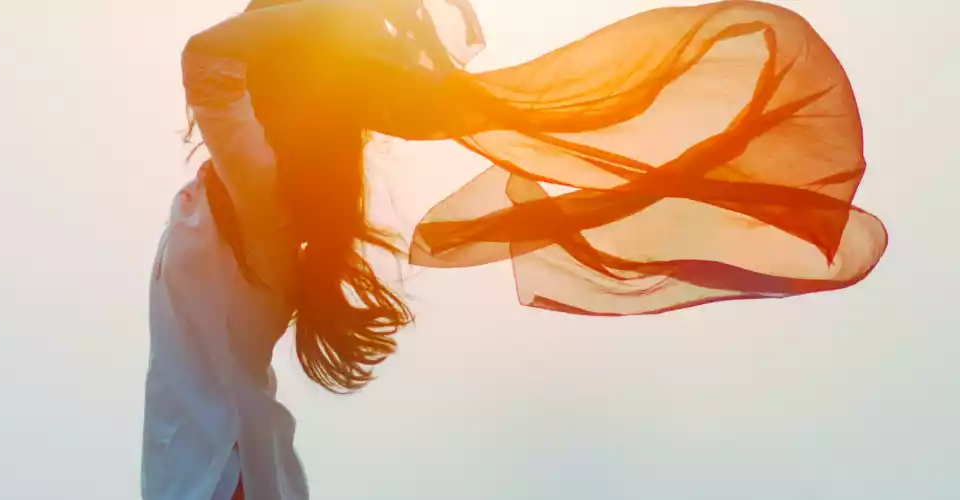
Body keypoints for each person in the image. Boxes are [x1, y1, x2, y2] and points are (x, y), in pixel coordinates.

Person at [143, 1, 886, 499]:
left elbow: (206, 60)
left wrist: (333, 19)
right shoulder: (255, 200)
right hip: (217, 466)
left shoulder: (259, 194)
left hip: (215, 468)